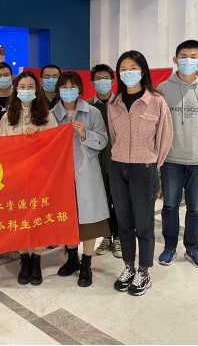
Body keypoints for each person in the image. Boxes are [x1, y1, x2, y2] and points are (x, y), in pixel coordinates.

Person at [108, 50, 173, 296]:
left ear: (143, 71)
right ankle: (128, 267)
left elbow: (165, 137)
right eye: (123, 69)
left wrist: (154, 165)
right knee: (124, 222)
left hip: (144, 168)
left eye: (133, 68)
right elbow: (114, 136)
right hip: (118, 167)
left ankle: (143, 271)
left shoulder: (156, 101)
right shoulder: (114, 103)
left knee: (143, 224)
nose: (128, 73)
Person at [157, 40, 198, 270]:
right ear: (175, 60)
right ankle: (169, 247)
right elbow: (160, 123)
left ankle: (193, 248)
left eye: (193, 56)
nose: (188, 60)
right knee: (170, 206)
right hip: (171, 158)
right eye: (183, 56)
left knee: (196, 207)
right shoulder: (163, 88)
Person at [51, 71, 110, 288]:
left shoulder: (92, 112)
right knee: (67, 217)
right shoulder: (51, 115)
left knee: (89, 220)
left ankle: (86, 262)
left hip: (87, 173)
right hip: (62, 174)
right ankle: (72, 257)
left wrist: (86, 134)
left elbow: (103, 140)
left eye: (72, 87)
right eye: (64, 87)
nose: (68, 91)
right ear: (58, 90)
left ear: (80, 89)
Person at [0, 71, 58, 286]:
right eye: (22, 87)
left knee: (38, 219)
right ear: (16, 89)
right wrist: (19, 140)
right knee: (19, 219)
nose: (26, 90)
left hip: (40, 176)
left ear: (37, 89)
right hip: (15, 177)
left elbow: (54, 146)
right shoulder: (7, 117)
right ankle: (23, 258)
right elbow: (2, 149)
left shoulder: (47, 116)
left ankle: (36, 259)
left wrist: (39, 139)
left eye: (30, 87)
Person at [88, 64, 121, 259]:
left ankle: (119, 237)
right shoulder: (87, 106)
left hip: (118, 161)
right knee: (102, 202)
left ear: (112, 81)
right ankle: (107, 237)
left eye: (105, 78)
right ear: (92, 83)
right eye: (98, 79)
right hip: (95, 163)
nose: (102, 82)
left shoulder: (121, 104)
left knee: (119, 201)